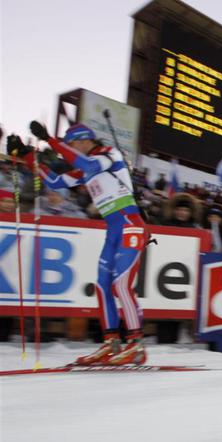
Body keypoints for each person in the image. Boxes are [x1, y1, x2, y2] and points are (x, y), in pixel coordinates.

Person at [15, 122, 148, 365]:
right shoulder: (86, 170)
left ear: (86, 140)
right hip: (114, 230)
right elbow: (55, 182)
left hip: (131, 224)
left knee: (121, 285)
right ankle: (111, 343)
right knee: (102, 286)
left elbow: (86, 164)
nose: (71, 150)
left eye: (73, 145)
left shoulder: (110, 154)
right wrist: (27, 155)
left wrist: (51, 140)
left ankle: (137, 345)